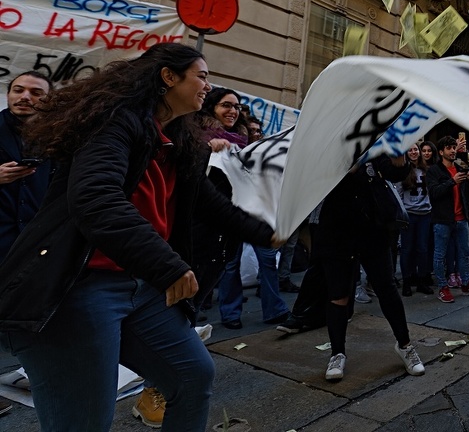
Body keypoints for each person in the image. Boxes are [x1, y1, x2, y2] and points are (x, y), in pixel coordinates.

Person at [0, 43, 281, 432]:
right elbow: (96, 198)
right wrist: (167, 266)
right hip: (78, 288)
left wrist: (267, 235)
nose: (207, 86)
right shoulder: (113, 122)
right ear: (169, 76)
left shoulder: (179, 140)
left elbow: (208, 202)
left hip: (142, 287)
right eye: (201, 76)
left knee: (192, 376)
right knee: (82, 421)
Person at [313, 154, 424, 382]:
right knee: (338, 295)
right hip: (336, 231)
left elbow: (394, 172)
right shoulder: (326, 141)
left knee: (386, 288)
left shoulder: (371, 142)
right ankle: (337, 353)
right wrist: (342, 168)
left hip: (373, 229)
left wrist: (398, 161)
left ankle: (405, 345)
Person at [207, 88, 289, 330]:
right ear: (212, 108)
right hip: (225, 214)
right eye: (226, 105)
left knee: (267, 261)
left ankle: (274, 309)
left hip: (254, 214)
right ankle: (230, 314)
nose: (232, 111)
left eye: (236, 106)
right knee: (230, 264)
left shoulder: (247, 144)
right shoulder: (203, 139)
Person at [0, 71, 53, 262]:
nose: (25, 97)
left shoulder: (56, 137)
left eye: (36, 93)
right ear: (8, 95)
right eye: (18, 90)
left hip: (33, 243)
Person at [426, 136, 469, 303]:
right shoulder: (434, 171)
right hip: (443, 219)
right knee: (440, 255)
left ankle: (466, 283)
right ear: (441, 152)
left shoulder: (460, 166)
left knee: (465, 253)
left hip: (462, 218)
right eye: (449, 148)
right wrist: (452, 182)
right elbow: (434, 193)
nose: (452, 151)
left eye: (454, 147)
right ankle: (443, 287)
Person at [396, 143, 433, 296]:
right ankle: (407, 281)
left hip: (425, 214)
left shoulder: (426, 170)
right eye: (410, 149)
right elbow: (397, 192)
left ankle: (422, 280)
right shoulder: (403, 171)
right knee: (407, 249)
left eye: (415, 149)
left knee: (423, 249)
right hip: (409, 214)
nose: (413, 152)